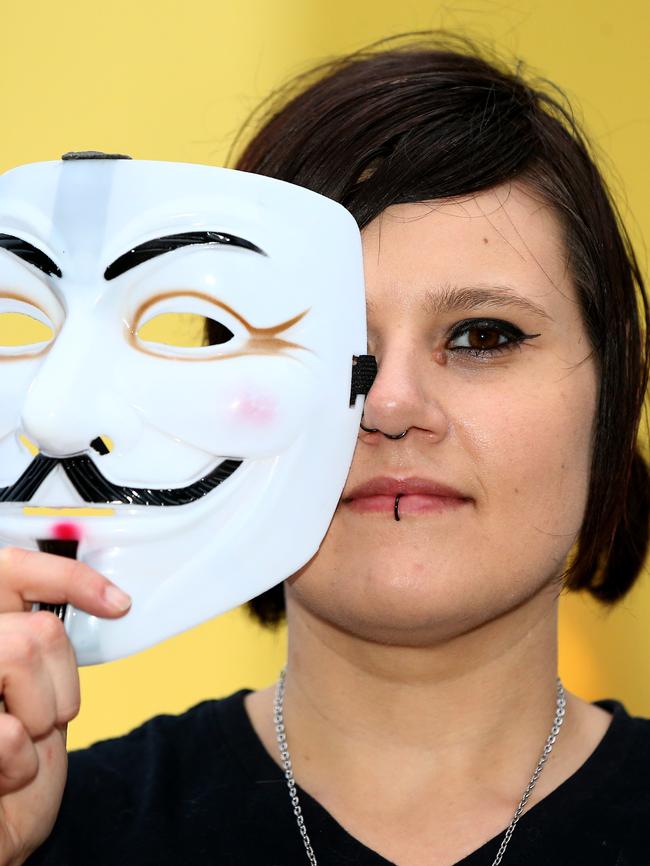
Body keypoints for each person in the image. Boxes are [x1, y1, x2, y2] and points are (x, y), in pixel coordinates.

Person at [2, 32, 649, 866]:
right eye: (334, 339)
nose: (390, 404)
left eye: (482, 335)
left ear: (613, 396)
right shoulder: (48, 829)